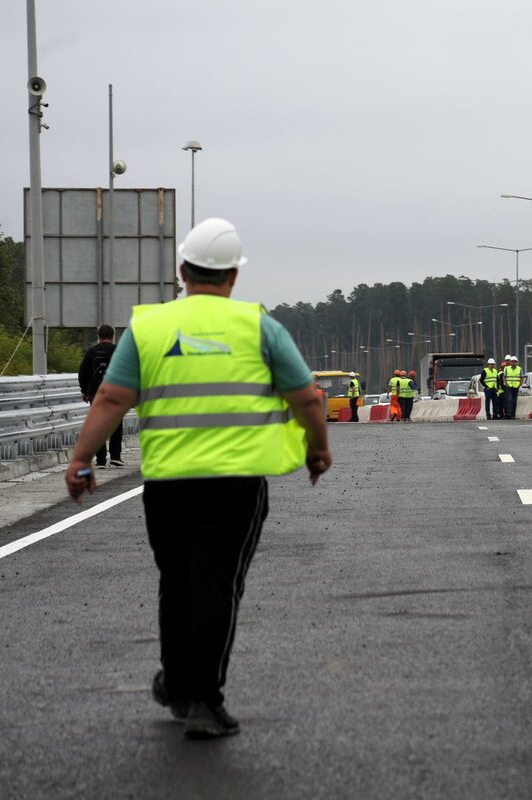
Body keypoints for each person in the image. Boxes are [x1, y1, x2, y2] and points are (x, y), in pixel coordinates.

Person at [64, 218, 332, 740]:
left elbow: (112, 399)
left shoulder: (150, 328)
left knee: (177, 581)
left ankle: (179, 684)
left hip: (167, 482)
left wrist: (81, 460)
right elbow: (306, 397)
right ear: (233, 276)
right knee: (216, 584)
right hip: (235, 483)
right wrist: (317, 450)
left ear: (183, 270)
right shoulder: (258, 327)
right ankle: (203, 699)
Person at [77, 324, 125, 467]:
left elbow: (83, 372)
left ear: (98, 336)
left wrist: (84, 391)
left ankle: (100, 460)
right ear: (112, 336)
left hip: (96, 394)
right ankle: (115, 456)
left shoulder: (92, 352)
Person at [501, 355, 522, 419]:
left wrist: (520, 384)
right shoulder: (506, 368)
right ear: (510, 362)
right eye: (512, 361)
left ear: (517, 362)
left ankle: (513, 415)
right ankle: (509, 414)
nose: (514, 363)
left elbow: (522, 377)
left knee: (514, 401)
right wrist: (506, 384)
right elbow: (504, 377)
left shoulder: (519, 369)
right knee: (509, 400)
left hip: (516, 387)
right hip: (509, 387)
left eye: (515, 362)